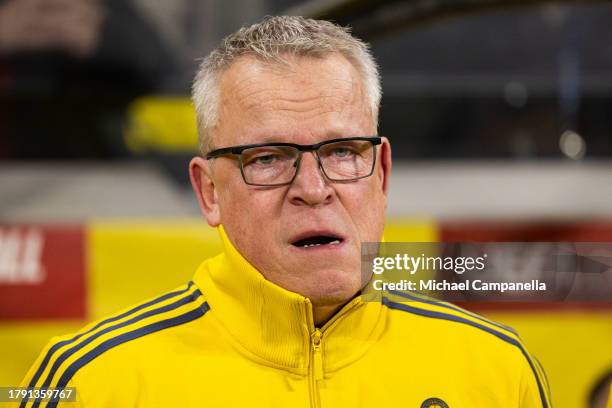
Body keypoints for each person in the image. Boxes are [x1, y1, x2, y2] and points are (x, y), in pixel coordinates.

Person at [18, 16, 551, 407]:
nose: (314, 188)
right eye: (268, 158)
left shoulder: (497, 372)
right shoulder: (88, 383)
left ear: (382, 173)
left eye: (342, 152)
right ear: (209, 192)